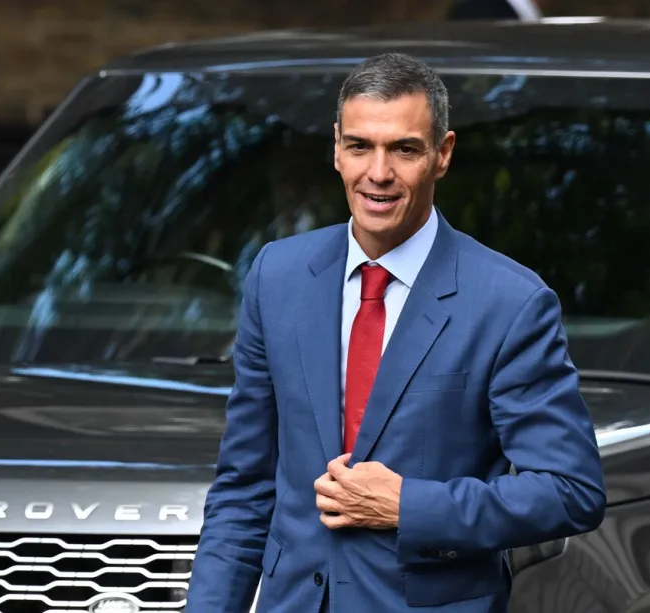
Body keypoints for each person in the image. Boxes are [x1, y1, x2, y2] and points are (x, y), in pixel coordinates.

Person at [184, 52, 606, 613]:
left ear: (442, 154)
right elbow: (244, 488)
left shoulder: (510, 302)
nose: (378, 173)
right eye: (360, 146)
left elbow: (571, 490)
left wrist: (410, 507)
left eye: (404, 149)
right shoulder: (277, 276)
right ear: (337, 148)